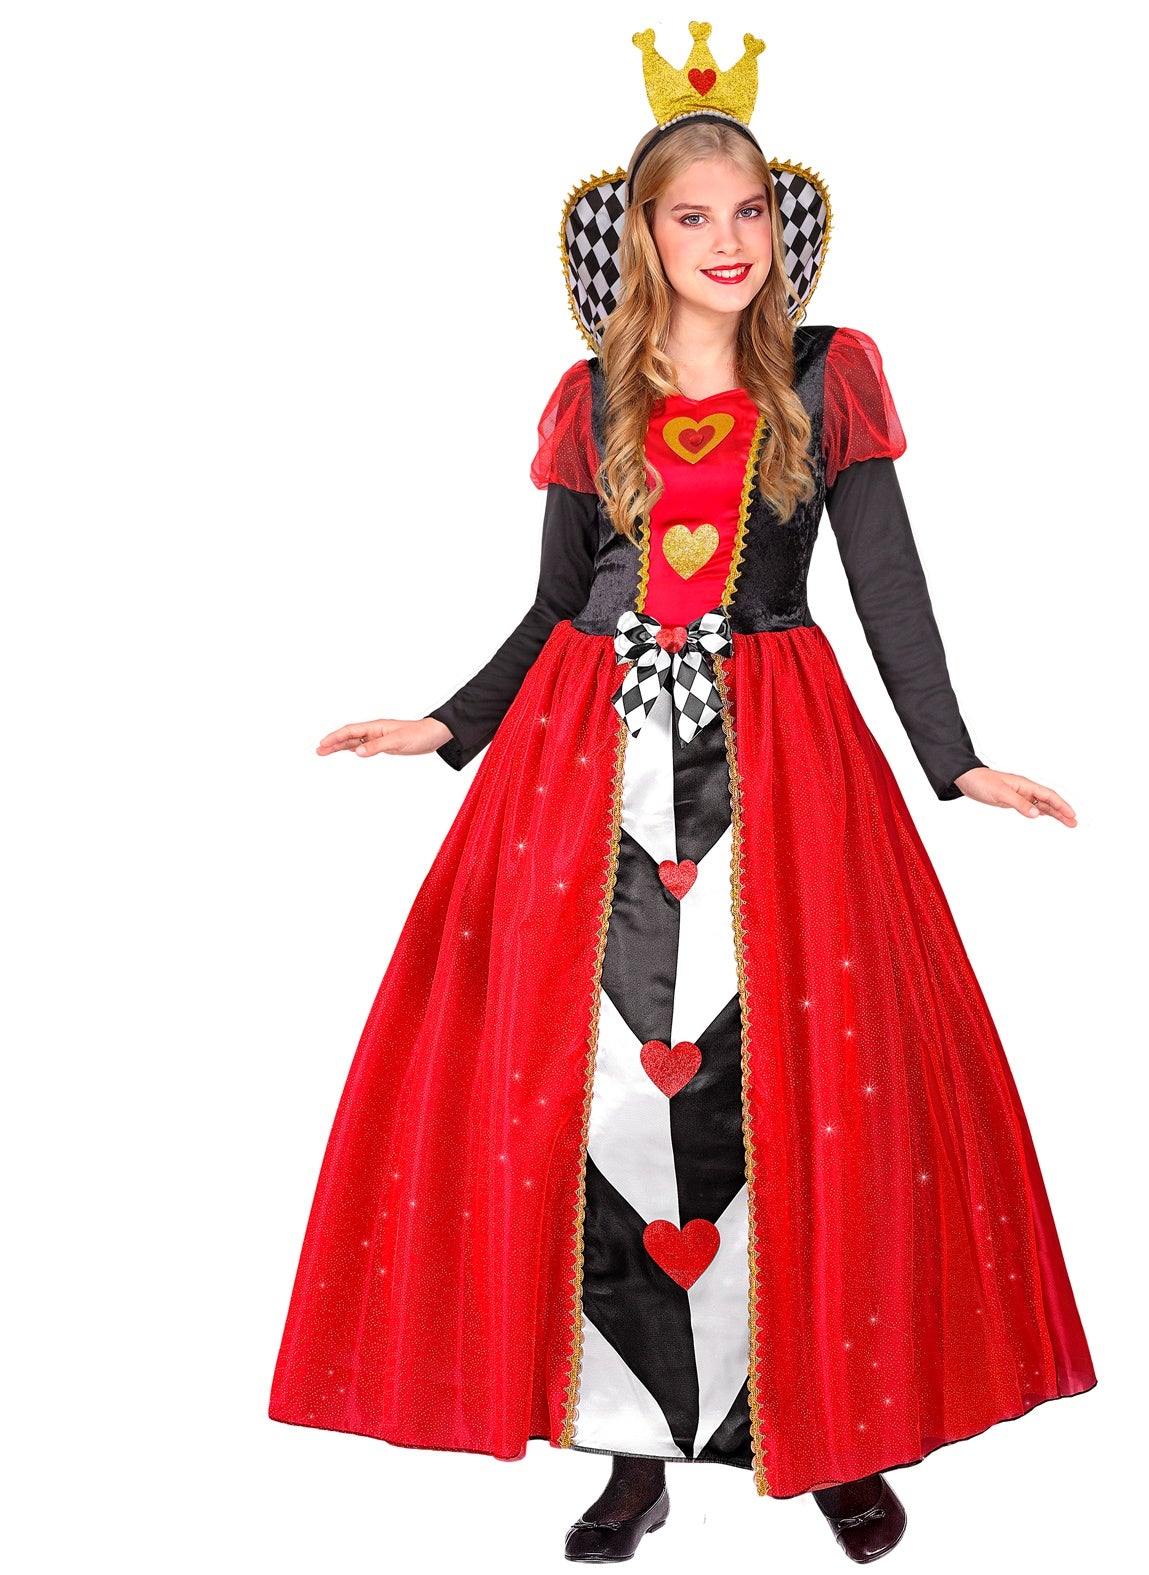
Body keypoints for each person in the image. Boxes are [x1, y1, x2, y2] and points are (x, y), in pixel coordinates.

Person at [269, 23, 1097, 1565]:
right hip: (580, 768)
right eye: (691, 214)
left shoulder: (826, 376)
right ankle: (630, 1449)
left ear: (782, 226)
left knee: (804, 1087)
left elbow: (885, 586)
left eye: (748, 211)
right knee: (598, 1092)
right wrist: (448, 725)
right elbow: (554, 605)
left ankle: (831, 1437)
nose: (727, 240)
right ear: (639, 235)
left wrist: (953, 756)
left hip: (781, 764)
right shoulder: (590, 396)